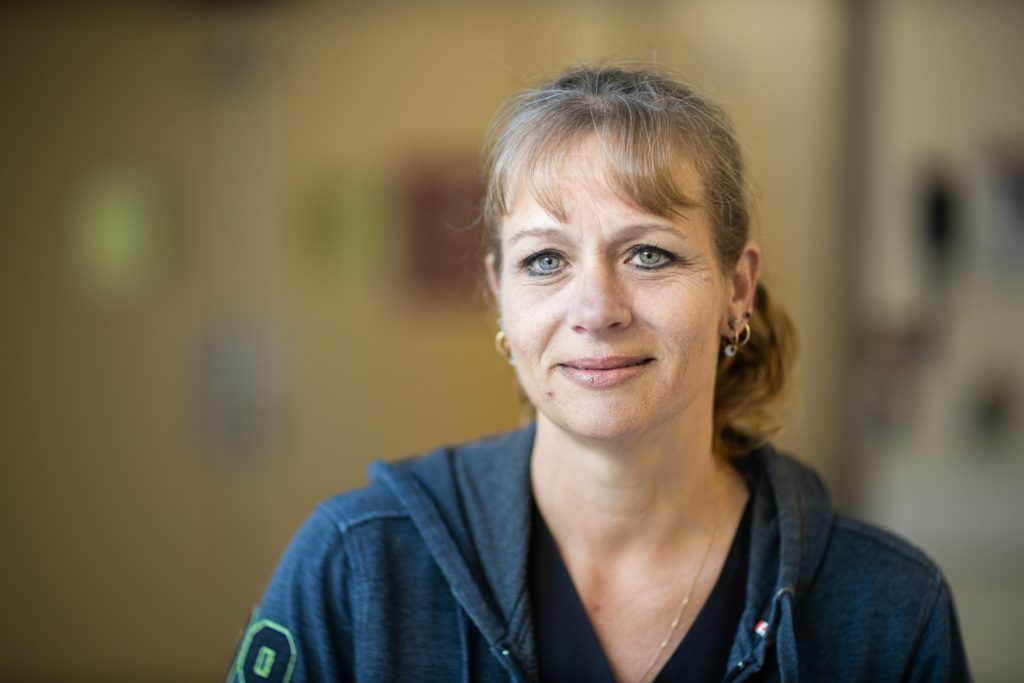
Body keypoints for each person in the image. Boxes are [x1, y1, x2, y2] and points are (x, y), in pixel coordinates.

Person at [226, 65, 970, 683]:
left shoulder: (888, 611)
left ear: (736, 289)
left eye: (649, 253)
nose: (596, 309)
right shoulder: (356, 568)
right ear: (500, 294)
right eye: (545, 260)